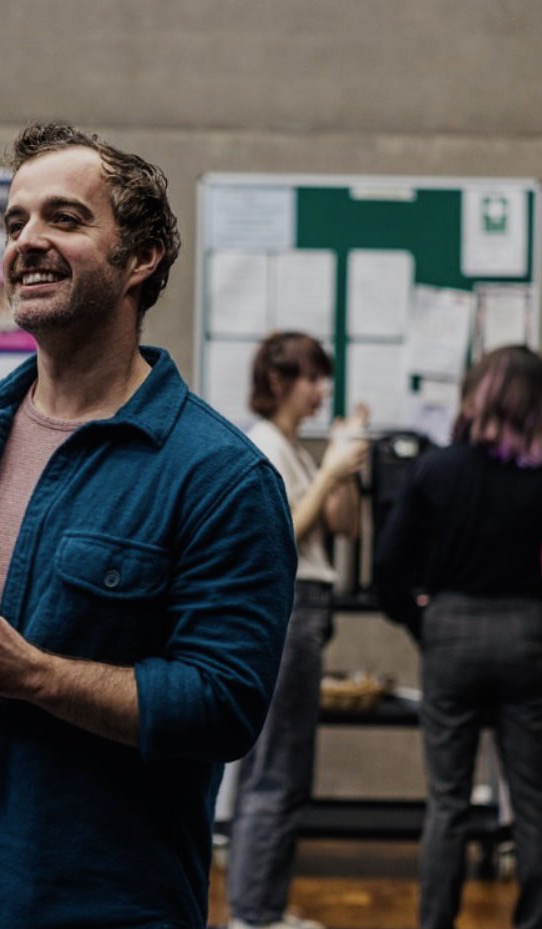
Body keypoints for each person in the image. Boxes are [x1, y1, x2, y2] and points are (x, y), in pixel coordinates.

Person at [0, 123, 298, 929]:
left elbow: (224, 705)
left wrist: (33, 675)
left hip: (101, 909)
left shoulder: (221, 477)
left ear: (143, 257)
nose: (29, 241)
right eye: (16, 221)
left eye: (64, 218)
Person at [374, 345, 542, 929]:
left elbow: (388, 569)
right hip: (524, 634)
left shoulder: (436, 469)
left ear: (476, 396)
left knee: (447, 802)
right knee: (532, 798)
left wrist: (425, 623)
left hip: (452, 633)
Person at [227, 332, 370, 929]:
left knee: (287, 769)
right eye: (312, 378)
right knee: (277, 772)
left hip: (308, 611)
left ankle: (262, 907)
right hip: (289, 609)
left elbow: (346, 526)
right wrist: (331, 466)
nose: (321, 391)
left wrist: (342, 461)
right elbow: (282, 534)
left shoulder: (298, 451)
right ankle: (254, 915)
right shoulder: (262, 445)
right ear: (280, 381)